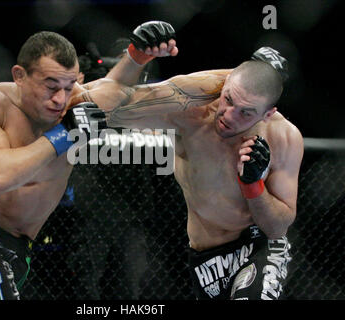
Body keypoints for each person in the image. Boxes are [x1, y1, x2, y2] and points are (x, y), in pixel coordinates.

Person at [0, 21, 178, 300]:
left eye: (69, 85)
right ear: (20, 75)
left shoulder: (74, 103)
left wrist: (137, 56)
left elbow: (116, 86)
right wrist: (63, 135)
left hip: (18, 248)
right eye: (50, 86)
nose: (60, 99)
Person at [70, 47, 304, 300]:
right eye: (229, 100)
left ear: (268, 113)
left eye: (246, 112)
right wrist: (132, 58)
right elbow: (118, 98)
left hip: (258, 246)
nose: (229, 115)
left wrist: (253, 184)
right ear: (226, 82)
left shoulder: (284, 137)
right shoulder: (189, 111)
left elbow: (277, 227)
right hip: (205, 259)